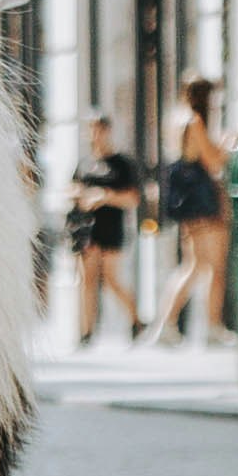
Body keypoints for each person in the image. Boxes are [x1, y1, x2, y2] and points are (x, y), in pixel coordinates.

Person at [151, 74, 231, 346]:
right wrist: (228, 146)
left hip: (186, 201)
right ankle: (211, 326)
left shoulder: (174, 119)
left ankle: (167, 324)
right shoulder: (194, 121)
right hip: (201, 200)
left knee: (194, 264)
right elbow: (212, 162)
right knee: (214, 266)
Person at [65, 115, 143, 346]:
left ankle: (136, 319)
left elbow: (133, 198)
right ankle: (85, 331)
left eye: (99, 130)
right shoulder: (84, 163)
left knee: (111, 279)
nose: (95, 135)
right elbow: (70, 189)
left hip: (111, 225)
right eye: (91, 130)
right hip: (86, 228)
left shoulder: (121, 164)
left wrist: (106, 197)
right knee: (86, 279)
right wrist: (80, 195)